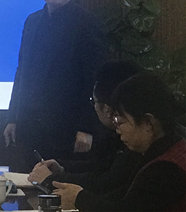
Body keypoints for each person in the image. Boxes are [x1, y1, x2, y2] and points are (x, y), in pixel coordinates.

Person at [3, 0, 108, 172]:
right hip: (31, 128)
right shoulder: (32, 21)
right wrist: (13, 117)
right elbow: (22, 72)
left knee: (60, 186)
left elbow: (96, 79)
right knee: (30, 184)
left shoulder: (87, 23)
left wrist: (87, 127)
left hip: (69, 131)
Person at [52, 72, 186, 211]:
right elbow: (121, 196)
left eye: (120, 121)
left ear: (148, 123)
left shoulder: (165, 169)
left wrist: (79, 199)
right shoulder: (171, 147)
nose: (118, 130)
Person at [28, 60, 144, 193]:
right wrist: (62, 169)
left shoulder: (134, 142)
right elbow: (99, 166)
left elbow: (107, 183)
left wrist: (52, 179)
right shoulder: (112, 135)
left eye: (93, 101)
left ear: (107, 108)